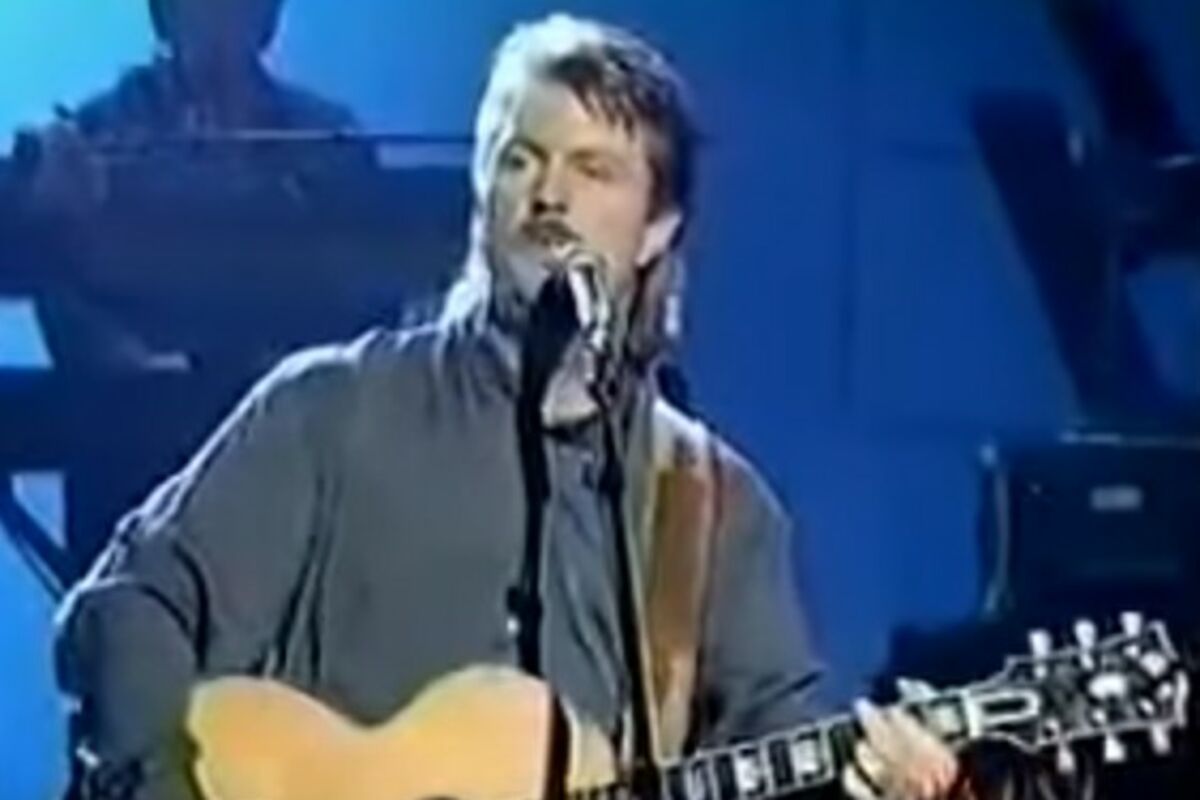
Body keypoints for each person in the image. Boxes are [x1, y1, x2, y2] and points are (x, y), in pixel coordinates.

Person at [55, 14, 972, 800]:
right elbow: (128, 608)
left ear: (658, 228)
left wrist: (875, 781)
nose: (550, 194)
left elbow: (777, 741)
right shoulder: (334, 412)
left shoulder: (715, 506)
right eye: (521, 160)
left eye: (594, 169)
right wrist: (166, 780)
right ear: (481, 193)